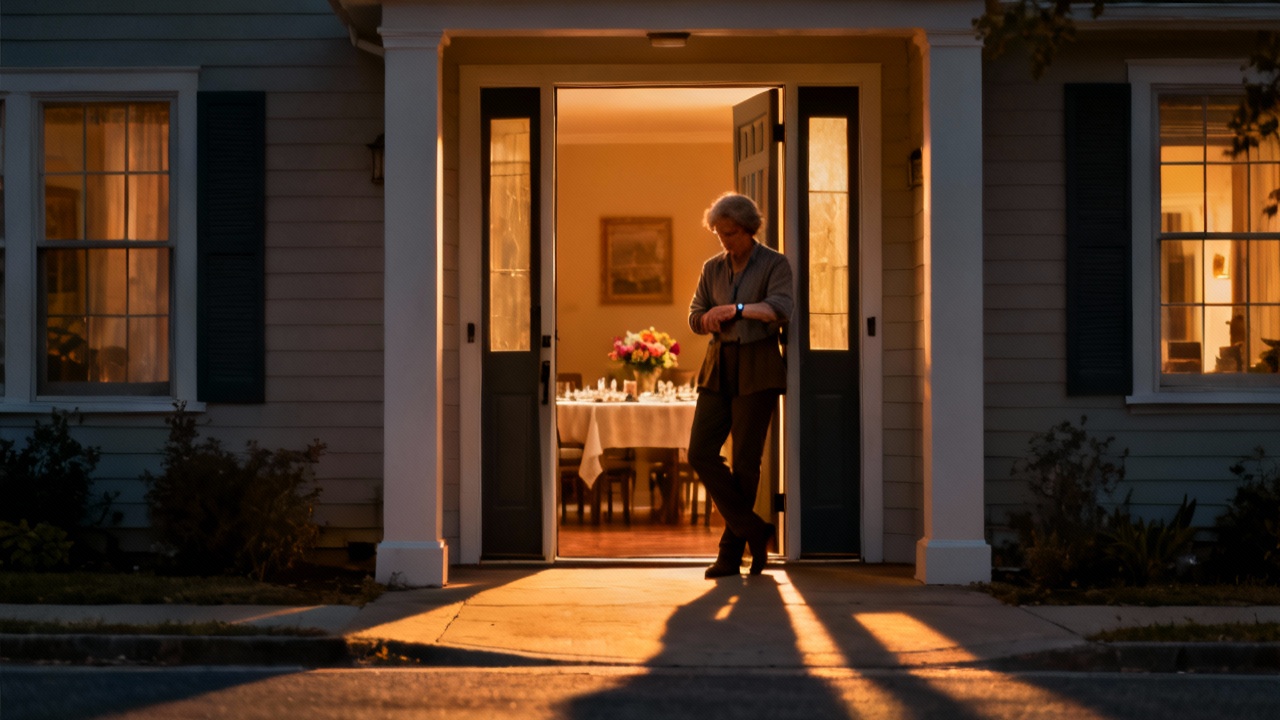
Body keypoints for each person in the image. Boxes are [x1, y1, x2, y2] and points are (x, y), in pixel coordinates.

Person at [687, 192, 793, 578]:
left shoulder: (774, 264)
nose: (724, 241)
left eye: (729, 233)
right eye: (718, 233)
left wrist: (739, 309)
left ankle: (730, 554)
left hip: (758, 364)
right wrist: (707, 319)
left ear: (749, 229)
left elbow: (780, 309)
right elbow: (695, 315)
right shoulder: (712, 267)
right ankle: (753, 528)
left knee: (747, 462)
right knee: (699, 451)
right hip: (718, 365)